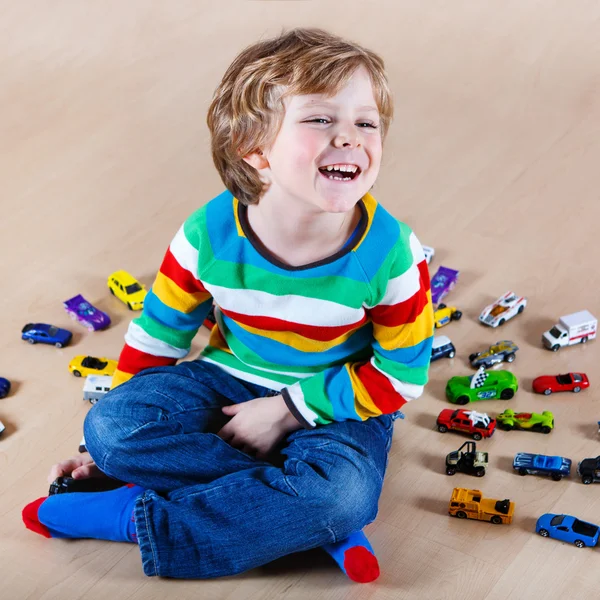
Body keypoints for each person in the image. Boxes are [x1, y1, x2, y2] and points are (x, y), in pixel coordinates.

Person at [23, 27, 433, 582]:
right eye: (320, 120)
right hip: (227, 380)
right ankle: (296, 513)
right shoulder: (207, 233)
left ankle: (134, 515)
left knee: (340, 496)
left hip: (337, 404)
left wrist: (287, 412)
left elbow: (401, 376)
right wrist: (98, 453)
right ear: (255, 150)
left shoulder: (391, 254)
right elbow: (158, 336)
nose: (351, 138)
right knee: (113, 427)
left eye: (366, 123)